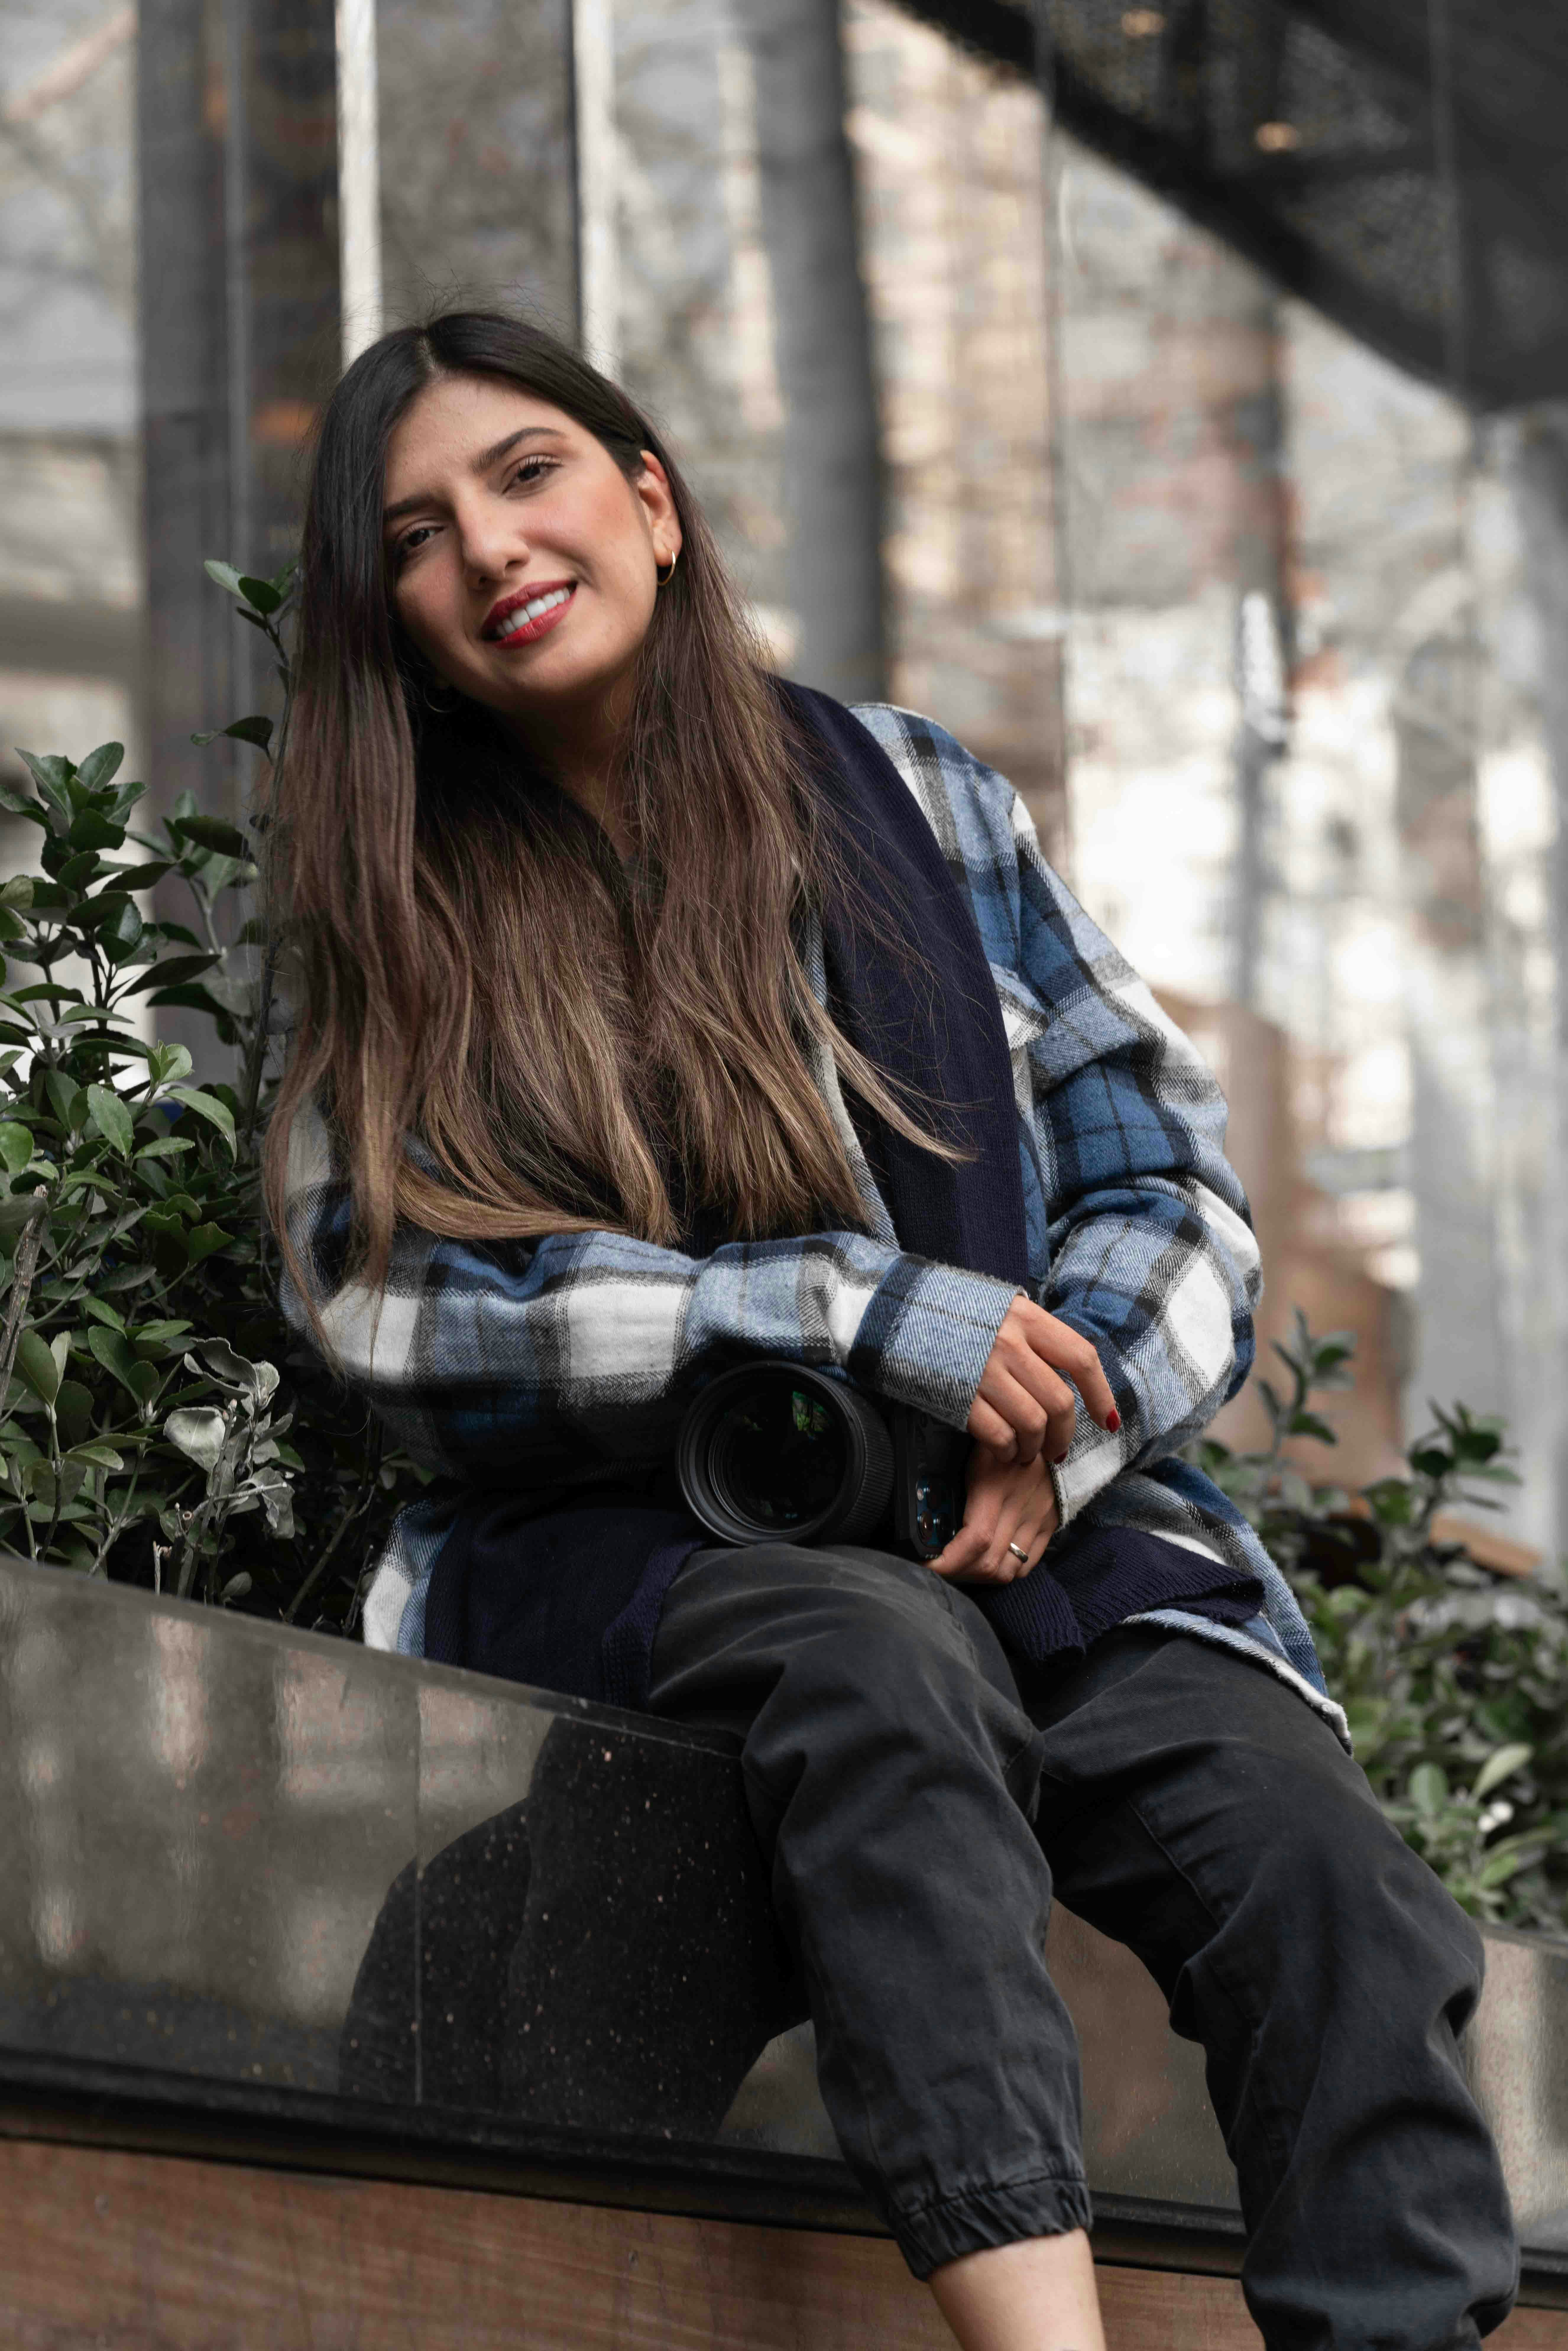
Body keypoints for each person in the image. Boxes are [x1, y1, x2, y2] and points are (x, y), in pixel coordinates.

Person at [268, 310, 1518, 2350]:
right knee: (874, 1668)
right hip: (651, 1552)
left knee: (1316, 1871)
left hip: (1044, 1523)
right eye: (413, 535)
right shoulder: (396, 901)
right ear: (392, 619)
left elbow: (1170, 1184)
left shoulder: (919, 791)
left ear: (650, 503)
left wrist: (1064, 1402)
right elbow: (382, 1308)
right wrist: (857, 1317)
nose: (487, 547)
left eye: (527, 475)